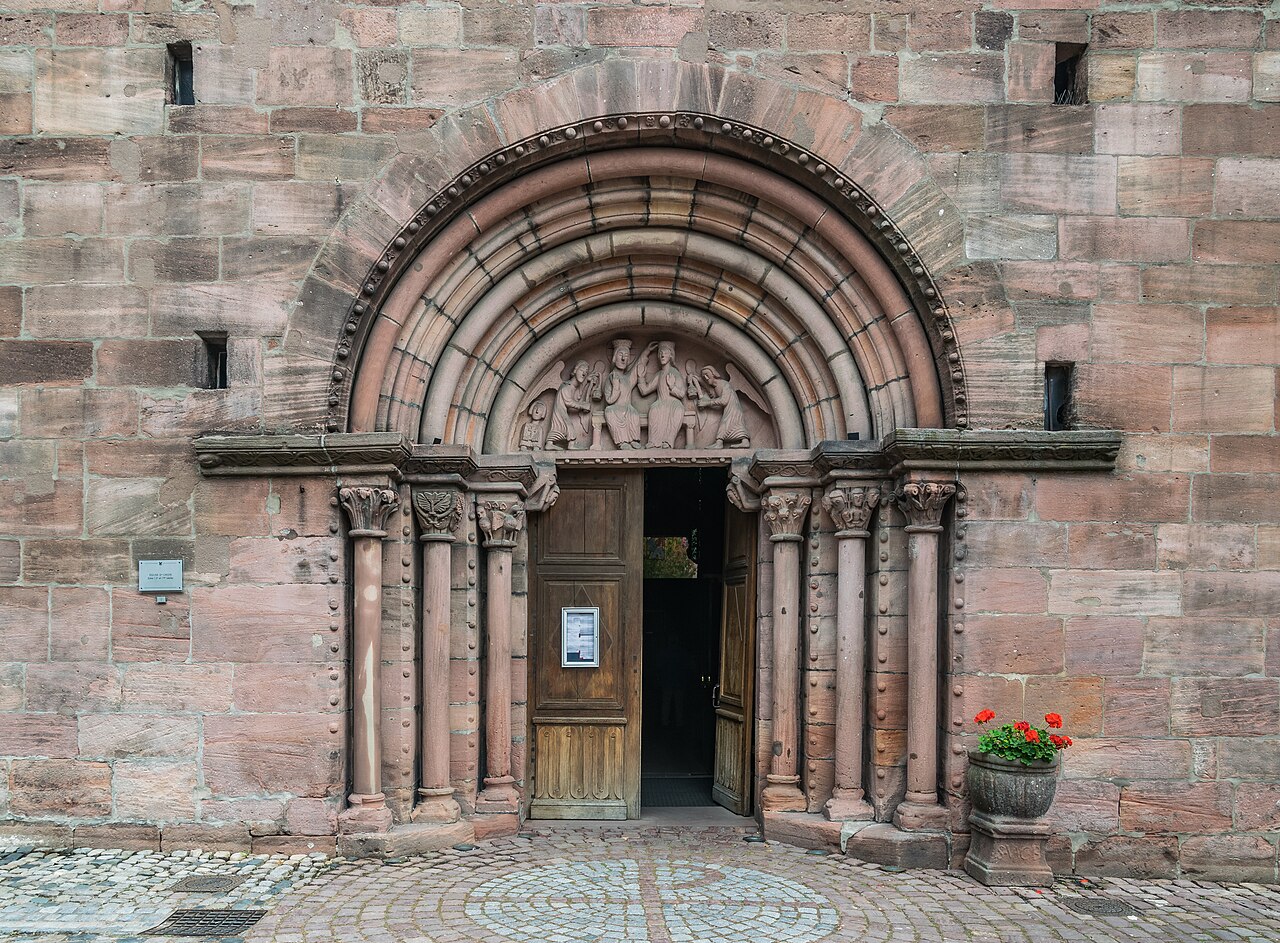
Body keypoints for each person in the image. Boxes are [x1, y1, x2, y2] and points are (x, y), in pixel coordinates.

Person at [637, 340, 686, 448]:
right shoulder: (659, 375)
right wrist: (640, 378)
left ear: (671, 355)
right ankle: (653, 442)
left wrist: (672, 387)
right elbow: (645, 391)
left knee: (677, 410)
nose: (662, 355)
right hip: (660, 403)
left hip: (673, 404)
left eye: (665, 352)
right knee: (654, 409)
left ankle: (668, 442)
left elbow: (682, 394)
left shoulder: (675, 373)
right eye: (660, 353)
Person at [697, 365, 751, 448]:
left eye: (707, 374)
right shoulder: (716, 387)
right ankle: (742, 441)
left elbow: (723, 401)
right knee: (731, 424)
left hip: (733, 409)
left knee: (727, 424)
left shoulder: (724, 384)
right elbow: (718, 403)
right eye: (704, 377)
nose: (706, 378)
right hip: (729, 409)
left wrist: (707, 403)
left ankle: (720, 443)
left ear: (713, 374)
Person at [603, 339, 643, 449]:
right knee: (610, 412)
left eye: (626, 355)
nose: (623, 358)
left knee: (633, 414)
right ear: (614, 358)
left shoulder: (627, 378)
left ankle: (634, 439)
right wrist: (616, 388)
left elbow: (637, 367)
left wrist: (647, 351)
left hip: (627, 408)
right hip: (614, 408)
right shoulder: (611, 377)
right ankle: (622, 442)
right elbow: (609, 401)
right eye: (620, 354)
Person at [545, 360, 593, 450]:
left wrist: (587, 382)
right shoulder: (567, 386)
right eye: (582, 370)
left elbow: (579, 393)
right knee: (566, 426)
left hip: (561, 410)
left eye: (586, 372)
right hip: (560, 411)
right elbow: (568, 402)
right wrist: (582, 406)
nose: (584, 373)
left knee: (560, 427)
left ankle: (552, 443)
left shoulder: (573, 386)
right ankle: (566, 444)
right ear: (575, 370)